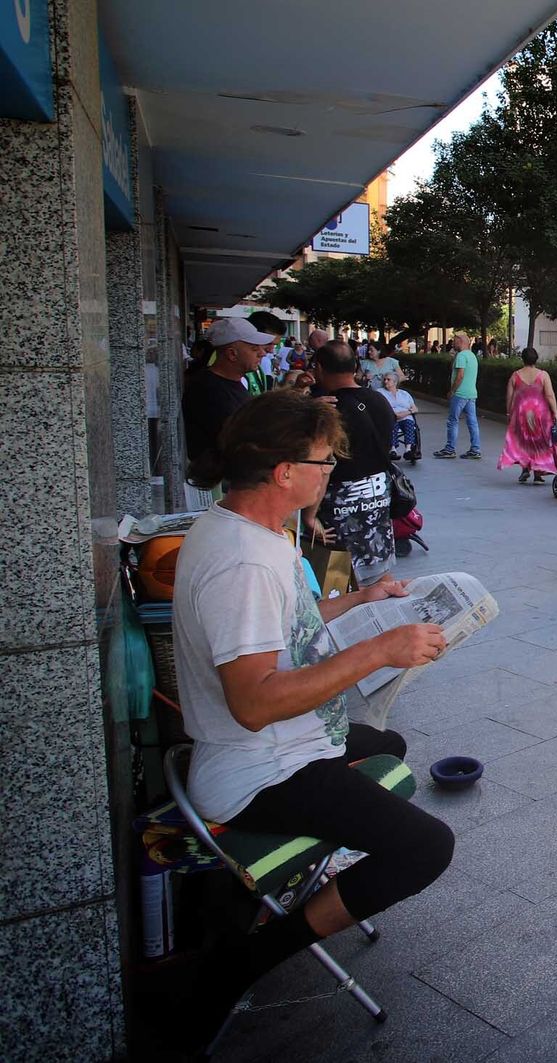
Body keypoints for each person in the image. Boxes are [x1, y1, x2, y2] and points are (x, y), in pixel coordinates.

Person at [175, 390, 453, 1043]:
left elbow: (289, 625)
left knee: (386, 742)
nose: (331, 473)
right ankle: (253, 958)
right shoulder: (242, 563)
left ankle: (307, 878)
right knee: (427, 846)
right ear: (284, 472)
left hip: (289, 743)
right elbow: (253, 703)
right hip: (260, 772)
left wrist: (363, 600)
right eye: (324, 461)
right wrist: (377, 650)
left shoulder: (257, 530)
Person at [304, 342, 396, 588]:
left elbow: (324, 464)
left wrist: (309, 516)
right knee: (379, 573)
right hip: (378, 497)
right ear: (355, 366)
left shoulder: (328, 408)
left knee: (338, 579)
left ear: (319, 368)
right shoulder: (379, 400)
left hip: (340, 506)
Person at [184, 317, 273, 482]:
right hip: (220, 479)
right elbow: (236, 440)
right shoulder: (208, 389)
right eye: (254, 349)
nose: (262, 353)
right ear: (232, 354)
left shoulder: (232, 382)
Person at [498, 348, 557, 484]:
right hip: (541, 414)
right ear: (536, 359)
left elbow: (509, 397)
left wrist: (509, 413)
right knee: (539, 442)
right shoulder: (543, 375)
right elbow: (549, 395)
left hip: (521, 414)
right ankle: (538, 474)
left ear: (522, 359)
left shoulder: (515, 376)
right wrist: (555, 412)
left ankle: (525, 469)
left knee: (524, 442)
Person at [434, 333, 482, 459]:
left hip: (460, 394)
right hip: (471, 393)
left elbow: (460, 375)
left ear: (461, 341)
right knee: (472, 422)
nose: (453, 344)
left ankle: (450, 449)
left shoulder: (461, 356)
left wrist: (452, 391)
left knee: (453, 421)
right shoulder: (472, 356)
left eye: (455, 341)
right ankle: (475, 449)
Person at [379, 372, 419, 459]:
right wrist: (408, 412)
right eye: (384, 379)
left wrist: (406, 413)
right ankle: (392, 450)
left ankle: (408, 450)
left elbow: (415, 408)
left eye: (388, 380)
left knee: (409, 423)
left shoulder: (404, 394)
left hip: (405, 417)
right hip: (389, 417)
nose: (385, 381)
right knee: (392, 423)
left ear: (395, 382)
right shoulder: (380, 392)